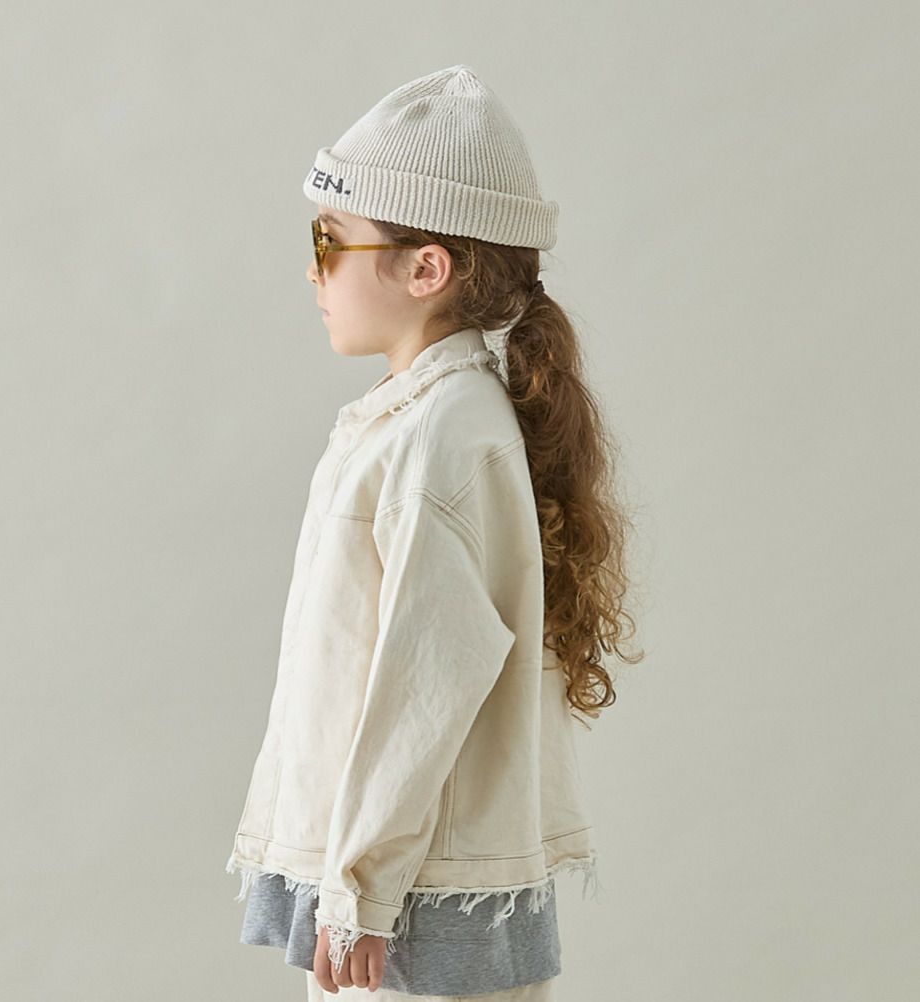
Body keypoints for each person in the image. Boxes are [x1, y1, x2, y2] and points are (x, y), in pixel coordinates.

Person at [225, 64, 642, 1000]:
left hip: (409, 905)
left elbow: (431, 673)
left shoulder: (443, 435)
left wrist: (361, 889)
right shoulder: (416, 419)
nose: (313, 268)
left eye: (330, 240)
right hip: (393, 891)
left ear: (426, 268)